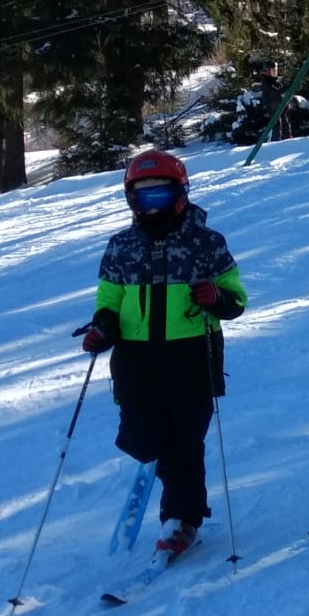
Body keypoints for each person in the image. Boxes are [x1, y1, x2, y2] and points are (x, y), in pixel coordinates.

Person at [78, 151, 247, 557]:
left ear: (181, 193)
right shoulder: (121, 246)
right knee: (141, 437)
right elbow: (109, 300)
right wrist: (103, 326)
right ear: (131, 200)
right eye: (144, 197)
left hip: (192, 357)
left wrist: (216, 297)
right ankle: (169, 485)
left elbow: (237, 300)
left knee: (184, 442)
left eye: (160, 195)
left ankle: (181, 518)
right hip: (136, 362)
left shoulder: (206, 243)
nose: (152, 206)